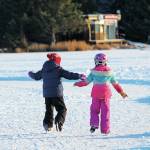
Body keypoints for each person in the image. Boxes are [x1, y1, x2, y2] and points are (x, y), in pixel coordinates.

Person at [28, 53, 85, 132]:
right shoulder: (58, 69)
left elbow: (36, 76)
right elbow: (69, 75)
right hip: (57, 94)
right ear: (57, 61)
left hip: (47, 94)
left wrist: (30, 74)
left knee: (49, 110)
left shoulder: (44, 69)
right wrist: (79, 76)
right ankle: (59, 121)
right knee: (62, 109)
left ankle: (47, 125)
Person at [74, 53, 127, 134]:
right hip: (106, 94)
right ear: (105, 62)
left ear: (96, 61)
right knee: (105, 112)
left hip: (96, 94)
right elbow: (115, 84)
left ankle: (94, 124)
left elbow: (86, 82)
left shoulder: (93, 72)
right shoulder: (110, 72)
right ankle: (105, 130)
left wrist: (78, 84)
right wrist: (121, 92)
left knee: (94, 110)